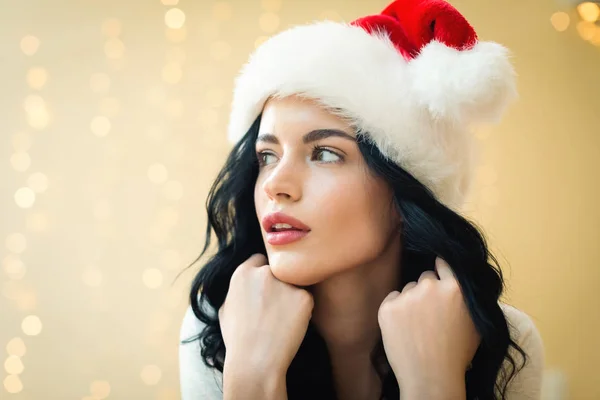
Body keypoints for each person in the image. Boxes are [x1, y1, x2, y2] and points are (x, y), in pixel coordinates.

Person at [179, 0, 545, 399]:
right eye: (267, 156)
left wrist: (433, 384)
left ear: (406, 188)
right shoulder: (220, 328)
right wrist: (251, 374)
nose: (275, 185)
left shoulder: (501, 339)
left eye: (324, 154)